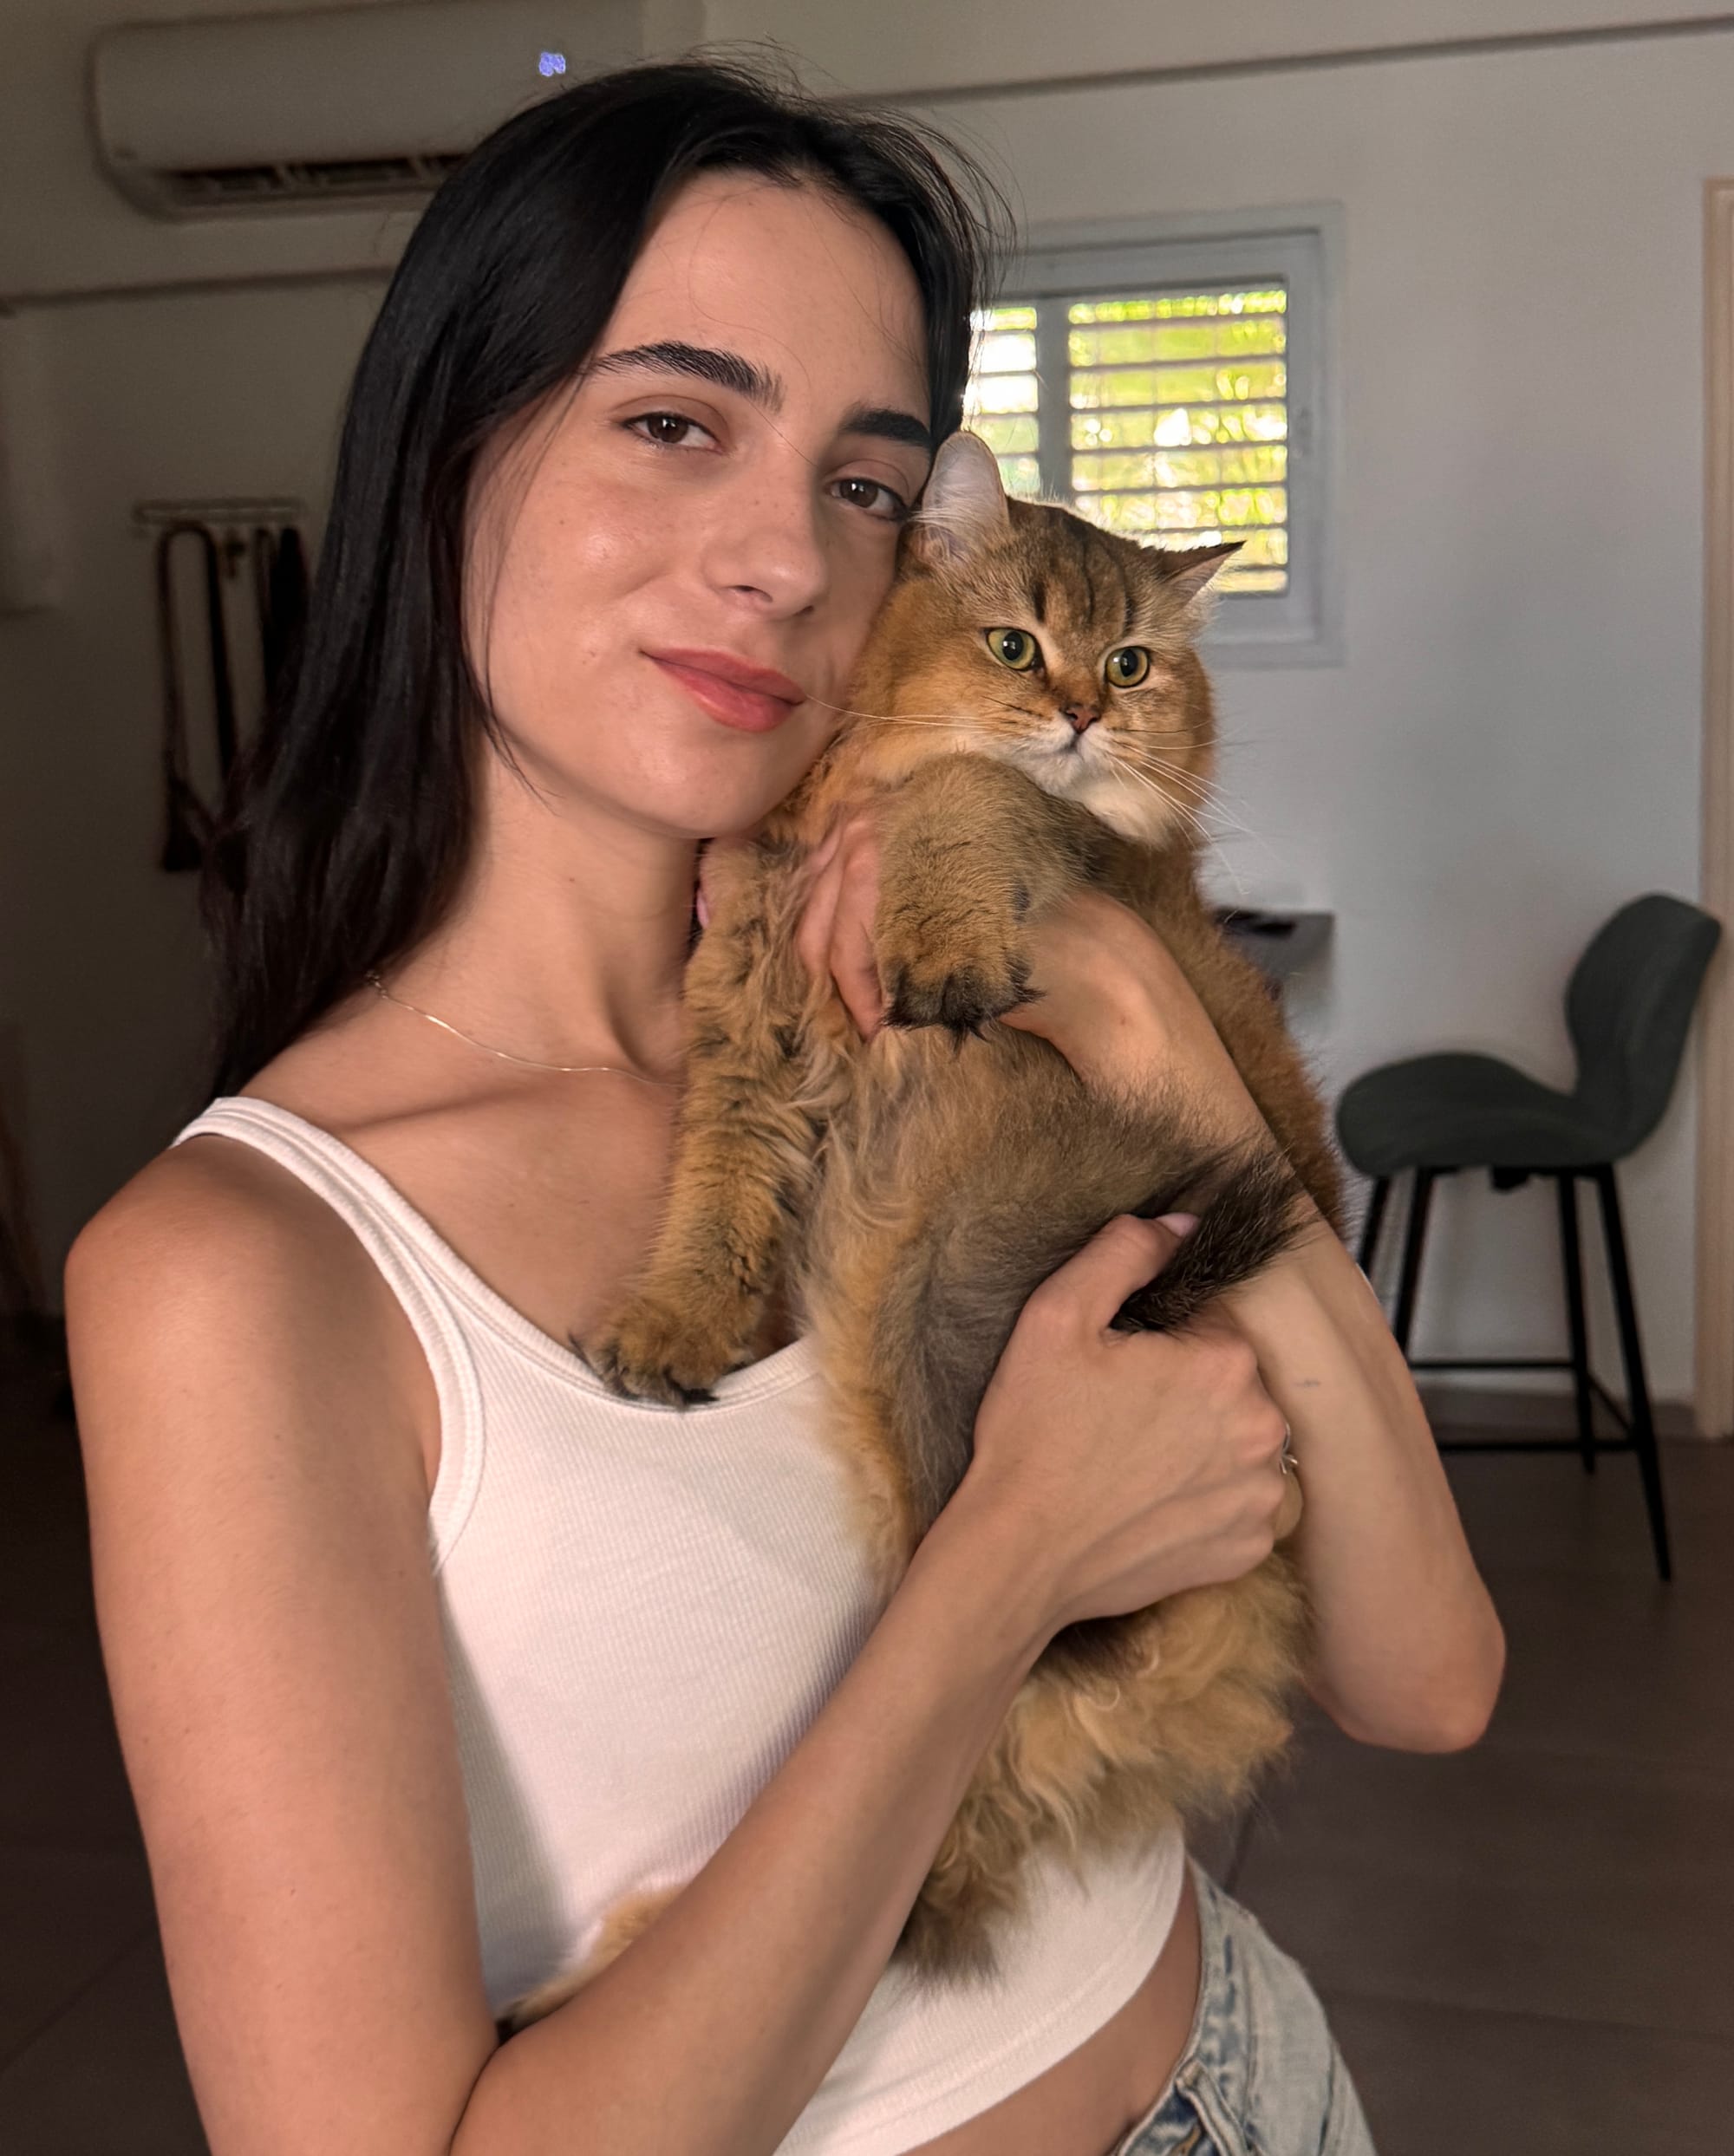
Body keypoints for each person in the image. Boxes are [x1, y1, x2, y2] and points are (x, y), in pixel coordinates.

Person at [63, 59, 1503, 2156]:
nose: (782, 560)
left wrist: (1146, 1016)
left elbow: (1429, 1673)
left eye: (864, 483)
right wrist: (1007, 1559)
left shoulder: (965, 1002)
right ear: (445, 451)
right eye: (673, 421)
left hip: (1261, 2076)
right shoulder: (240, 1271)